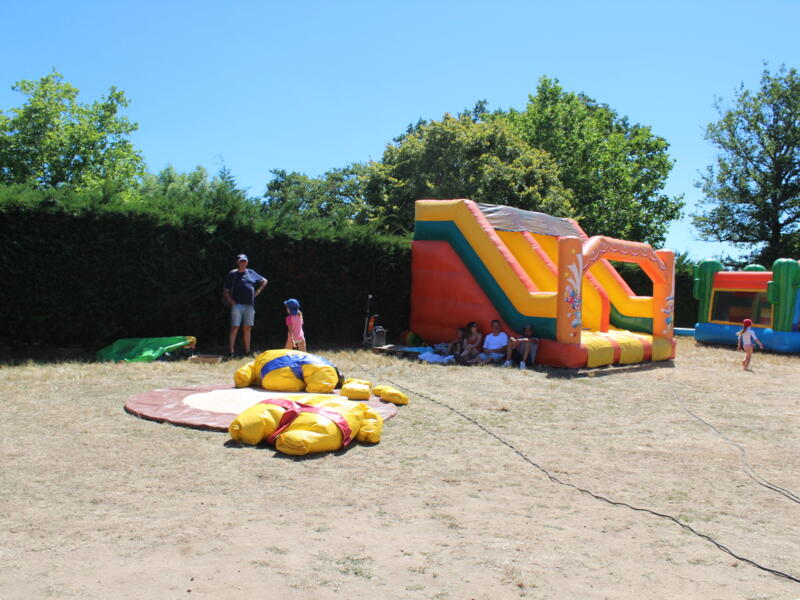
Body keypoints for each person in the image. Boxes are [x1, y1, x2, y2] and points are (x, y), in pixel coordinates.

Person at [223, 254, 267, 359]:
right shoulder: (233, 274)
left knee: (247, 328)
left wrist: (258, 291)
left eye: (244, 261)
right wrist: (232, 302)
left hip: (249, 306)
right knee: (235, 328)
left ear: (247, 262)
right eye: (241, 261)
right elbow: (225, 291)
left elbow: (264, 281)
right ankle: (231, 352)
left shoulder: (251, 272)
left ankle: (247, 351)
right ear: (237, 262)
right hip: (237, 305)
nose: (242, 263)